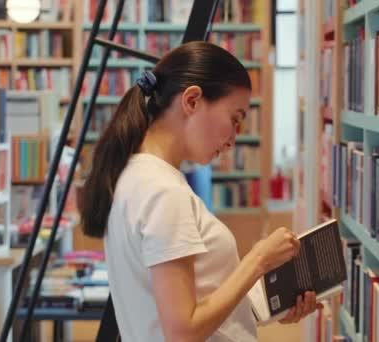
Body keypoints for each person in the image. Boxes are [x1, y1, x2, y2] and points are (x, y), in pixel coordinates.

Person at [80, 41, 320, 342]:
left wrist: (262, 307)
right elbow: (183, 332)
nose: (234, 138)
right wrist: (259, 259)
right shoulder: (162, 192)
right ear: (192, 100)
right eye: (234, 119)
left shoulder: (136, 176)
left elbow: (190, 300)